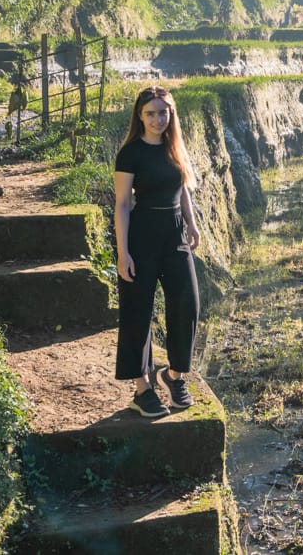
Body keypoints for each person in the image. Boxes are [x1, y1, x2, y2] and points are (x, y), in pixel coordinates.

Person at [113, 85, 201, 417]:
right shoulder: (131, 153)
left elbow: (182, 188)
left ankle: (173, 376)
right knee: (137, 310)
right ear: (140, 116)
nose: (157, 119)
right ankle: (142, 389)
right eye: (150, 113)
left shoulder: (173, 146)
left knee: (188, 302)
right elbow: (123, 204)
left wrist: (192, 223)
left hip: (175, 234)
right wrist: (123, 252)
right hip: (143, 235)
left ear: (170, 114)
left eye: (163, 112)